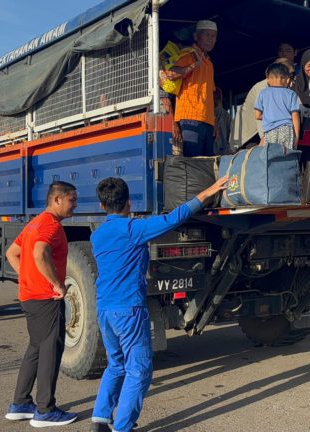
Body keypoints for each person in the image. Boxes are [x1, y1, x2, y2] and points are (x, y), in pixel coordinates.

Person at [89, 175, 228, 432]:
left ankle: (100, 418)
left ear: (101, 206)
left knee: (116, 364)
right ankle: (123, 427)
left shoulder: (98, 236)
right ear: (128, 203)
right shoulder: (132, 230)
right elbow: (174, 218)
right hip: (128, 309)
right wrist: (209, 191)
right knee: (139, 369)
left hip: (105, 310)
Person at [4, 182, 78, 428]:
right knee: (50, 351)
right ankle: (45, 410)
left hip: (29, 296)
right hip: (45, 299)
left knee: (36, 349)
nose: (74, 205)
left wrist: (27, 277)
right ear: (57, 200)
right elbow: (39, 253)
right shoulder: (50, 225)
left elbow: (11, 253)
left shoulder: (35, 222)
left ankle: (21, 403)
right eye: (71, 200)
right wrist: (56, 284)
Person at [165, 20, 218, 157]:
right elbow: (170, 74)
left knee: (206, 164)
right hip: (190, 117)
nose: (211, 40)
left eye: (213, 36)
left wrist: (214, 121)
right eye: (207, 35)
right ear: (196, 36)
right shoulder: (188, 54)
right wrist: (193, 65)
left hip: (207, 121)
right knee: (193, 162)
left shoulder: (210, 62)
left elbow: (211, 94)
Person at [230, 58, 295, 151]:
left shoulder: (282, 88)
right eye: (288, 74)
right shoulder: (263, 87)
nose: (289, 79)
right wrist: (264, 140)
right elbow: (260, 117)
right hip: (249, 137)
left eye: (291, 75)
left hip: (265, 135)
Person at [255, 62, 301, 149]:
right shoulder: (291, 94)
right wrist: (297, 135)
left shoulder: (263, 93)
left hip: (269, 131)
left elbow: (257, 115)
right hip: (287, 130)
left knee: (271, 158)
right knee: (285, 158)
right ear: (287, 79)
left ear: (268, 79)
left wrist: (271, 115)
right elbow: (295, 116)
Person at [213, 88, 232, 155]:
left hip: (223, 150)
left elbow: (230, 135)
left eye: (217, 98)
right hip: (213, 151)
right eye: (213, 98)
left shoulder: (226, 116)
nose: (215, 101)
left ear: (220, 99)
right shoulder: (207, 114)